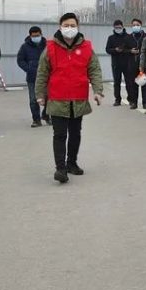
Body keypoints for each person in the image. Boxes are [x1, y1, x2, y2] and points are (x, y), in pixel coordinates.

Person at [35, 13, 104, 184]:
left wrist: (98, 90)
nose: (69, 28)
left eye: (72, 25)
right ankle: (60, 169)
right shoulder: (50, 48)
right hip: (57, 98)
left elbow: (94, 70)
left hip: (78, 98)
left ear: (78, 26)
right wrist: (39, 94)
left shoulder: (86, 47)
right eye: (66, 25)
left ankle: (71, 162)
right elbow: (42, 72)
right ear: (60, 26)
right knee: (59, 134)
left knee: (75, 133)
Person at [17, 25, 49, 127]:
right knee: (33, 99)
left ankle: (46, 115)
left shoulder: (48, 45)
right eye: (34, 36)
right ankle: (36, 120)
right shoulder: (25, 47)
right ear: (30, 36)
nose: (36, 37)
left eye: (38, 35)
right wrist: (28, 69)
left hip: (47, 77)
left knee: (50, 98)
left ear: (41, 34)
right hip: (32, 77)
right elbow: (20, 60)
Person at [106, 20, 138, 108]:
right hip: (116, 63)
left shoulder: (128, 37)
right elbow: (107, 49)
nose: (118, 29)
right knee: (117, 82)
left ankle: (131, 99)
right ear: (114, 28)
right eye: (116, 27)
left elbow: (133, 48)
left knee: (129, 82)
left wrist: (126, 51)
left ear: (123, 27)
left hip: (127, 63)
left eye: (119, 27)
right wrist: (115, 50)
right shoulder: (111, 38)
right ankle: (117, 99)